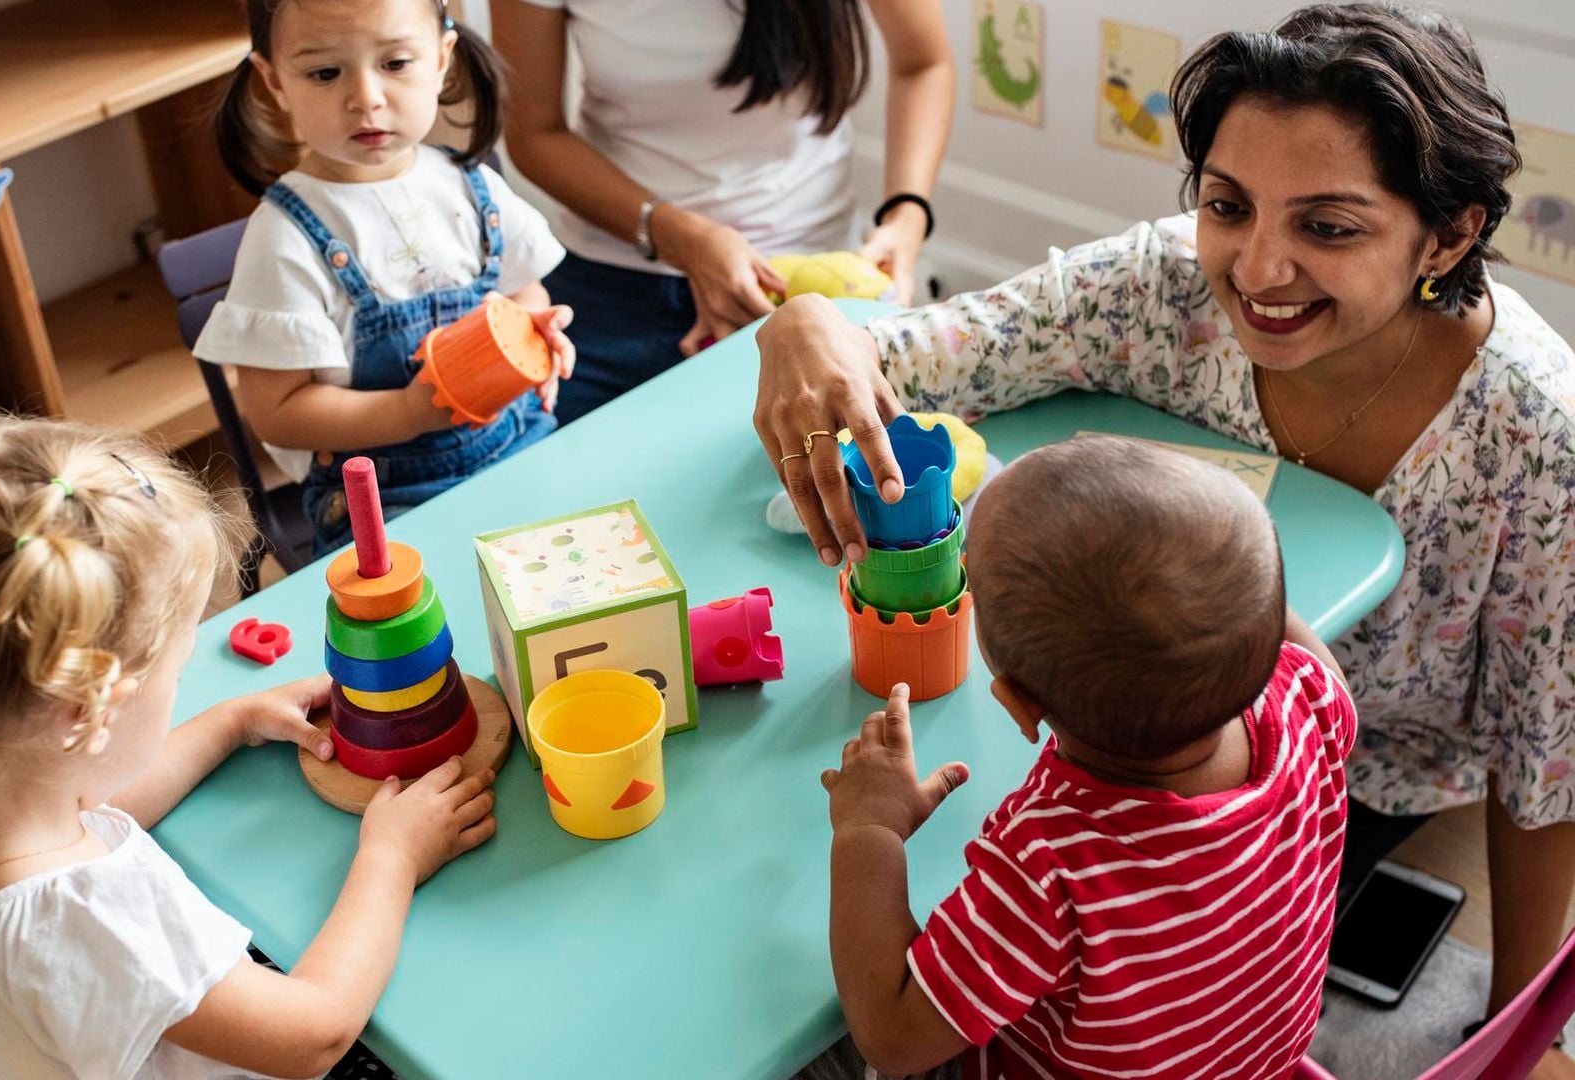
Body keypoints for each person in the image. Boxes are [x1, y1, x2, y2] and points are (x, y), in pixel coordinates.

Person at [755, 2, 1575, 1024]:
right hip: (1116, 716)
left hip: (1363, 775)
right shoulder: (1158, 290)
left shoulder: (1540, 439)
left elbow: (1550, 767)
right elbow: (910, 359)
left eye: (1327, 227)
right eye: (1228, 205)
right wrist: (803, 321)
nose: (1258, 270)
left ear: (1447, 237)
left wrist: (1521, 1026)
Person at [0, 411, 495, 1078]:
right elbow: (315, 1033)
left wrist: (227, 722)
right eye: (177, 673)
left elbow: (82, 800)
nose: (183, 685)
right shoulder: (94, 921)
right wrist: (391, 858)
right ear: (85, 711)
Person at [815, 437, 1356, 1079]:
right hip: (1254, 1068)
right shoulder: (1308, 700)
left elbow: (893, 1035)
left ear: (1018, 706)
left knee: (819, 1050)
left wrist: (868, 829)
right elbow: (1283, 641)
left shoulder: (1052, 864)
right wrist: (1220, 581)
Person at [195, 0, 575, 553]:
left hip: (519, 441)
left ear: (443, 57)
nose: (366, 98)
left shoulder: (471, 185)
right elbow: (278, 413)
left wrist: (532, 332)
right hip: (388, 498)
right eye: (325, 73)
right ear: (274, 83)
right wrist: (407, 412)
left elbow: (522, 289)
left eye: (395, 64)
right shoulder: (285, 238)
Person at [492, 0, 954, 422]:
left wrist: (906, 216)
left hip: (806, 285)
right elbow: (534, 132)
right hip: (611, 284)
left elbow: (924, 63)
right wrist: (678, 235)